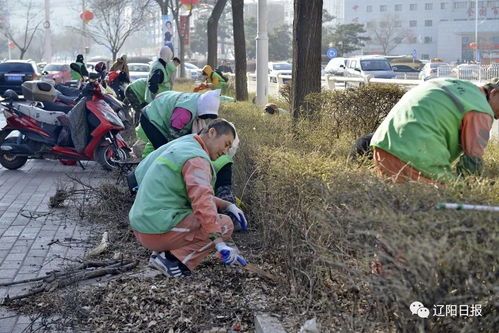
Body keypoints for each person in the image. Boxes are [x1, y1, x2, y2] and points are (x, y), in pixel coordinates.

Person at [129, 119, 248, 277]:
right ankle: (171, 260)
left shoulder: (185, 144)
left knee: (201, 213)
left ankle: (162, 251)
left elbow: (192, 193)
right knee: (224, 224)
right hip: (155, 229)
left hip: (143, 223)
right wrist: (219, 243)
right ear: (212, 132)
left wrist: (227, 205)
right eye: (226, 144)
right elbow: (202, 202)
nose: (226, 151)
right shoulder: (197, 160)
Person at [370, 78, 499, 184]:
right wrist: (468, 186)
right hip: (415, 156)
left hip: (382, 147)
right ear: (494, 93)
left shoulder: (458, 85)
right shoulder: (482, 110)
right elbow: (472, 161)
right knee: (453, 194)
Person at [139, 89, 221, 151]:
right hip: (150, 118)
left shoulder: (196, 99)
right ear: (203, 109)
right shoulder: (185, 112)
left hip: (158, 113)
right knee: (163, 149)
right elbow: (173, 135)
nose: (205, 119)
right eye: (206, 116)